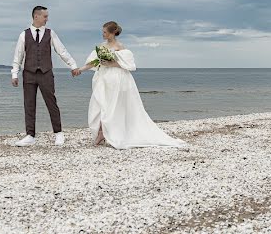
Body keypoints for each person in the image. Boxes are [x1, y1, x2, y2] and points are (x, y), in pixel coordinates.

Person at [75, 21, 187, 149]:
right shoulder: (101, 46)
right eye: (103, 32)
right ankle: (101, 133)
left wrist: (110, 63)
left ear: (112, 33)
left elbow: (127, 65)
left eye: (105, 32)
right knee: (101, 105)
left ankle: (109, 133)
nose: (103, 34)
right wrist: (80, 70)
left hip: (117, 79)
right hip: (103, 79)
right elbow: (93, 62)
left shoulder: (120, 46)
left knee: (112, 107)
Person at [10, 5, 81, 146]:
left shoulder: (50, 33)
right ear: (36, 16)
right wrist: (14, 73)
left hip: (46, 73)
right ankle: (30, 135)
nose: (47, 19)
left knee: (51, 103)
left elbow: (62, 51)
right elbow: (18, 55)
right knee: (29, 104)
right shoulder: (24, 34)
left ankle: (59, 133)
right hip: (29, 74)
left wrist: (73, 65)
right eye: (45, 16)